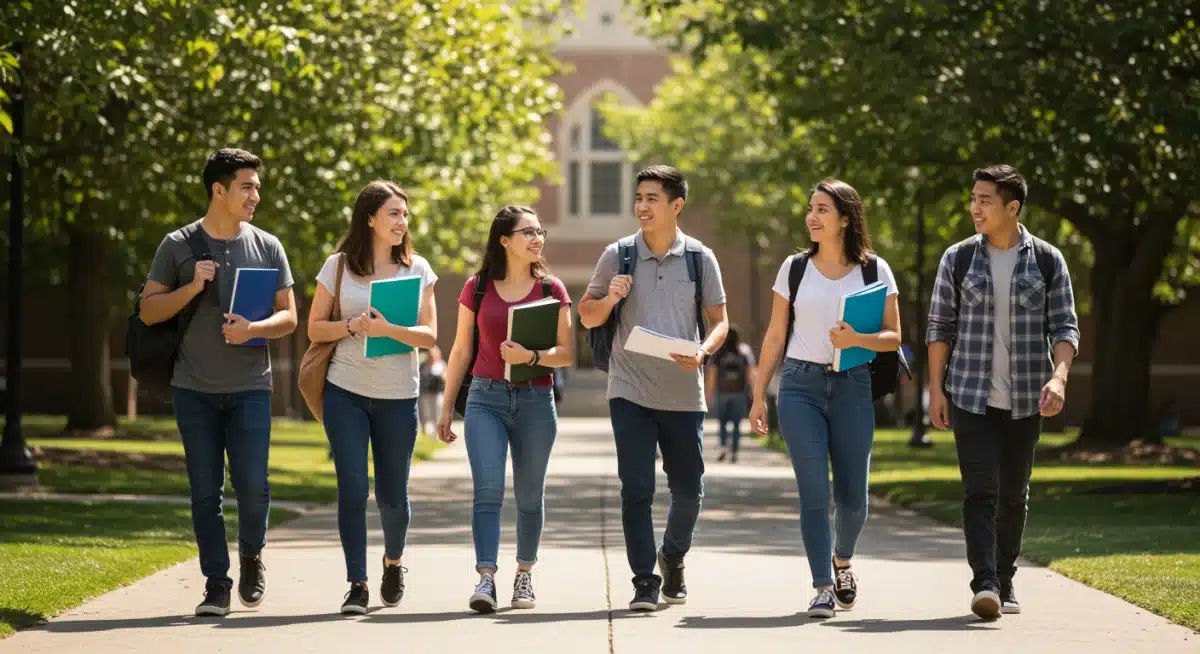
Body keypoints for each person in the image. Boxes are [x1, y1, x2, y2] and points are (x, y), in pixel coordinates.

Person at [139, 148, 297, 617]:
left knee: (253, 486)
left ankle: (251, 555)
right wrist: (190, 288)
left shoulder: (267, 245)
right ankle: (216, 584)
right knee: (205, 491)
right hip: (193, 388)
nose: (256, 195)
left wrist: (253, 330)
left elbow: (289, 317)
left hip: (251, 385)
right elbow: (148, 310)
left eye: (257, 187)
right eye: (247, 186)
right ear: (219, 190)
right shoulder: (178, 245)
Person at [926, 164, 1079, 620]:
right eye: (973, 198)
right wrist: (935, 391)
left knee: (1014, 494)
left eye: (984, 200)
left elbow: (1065, 325)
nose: (974, 207)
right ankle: (985, 582)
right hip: (970, 394)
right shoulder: (957, 259)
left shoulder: (1048, 260)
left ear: (1012, 207)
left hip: (1027, 396)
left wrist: (1060, 377)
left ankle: (1006, 577)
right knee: (980, 490)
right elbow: (940, 327)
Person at [748, 178, 902, 618]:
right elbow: (776, 335)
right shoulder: (795, 268)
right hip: (800, 386)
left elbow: (894, 338)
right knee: (814, 491)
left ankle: (842, 560)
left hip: (853, 385)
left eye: (822, 209)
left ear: (845, 219)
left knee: (855, 499)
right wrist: (760, 396)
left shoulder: (874, 270)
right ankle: (820, 586)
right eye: (810, 208)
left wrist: (859, 338)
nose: (811, 217)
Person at [579, 165, 729, 612]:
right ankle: (644, 580)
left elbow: (720, 322)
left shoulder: (701, 259)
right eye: (638, 198)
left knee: (689, 490)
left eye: (652, 199)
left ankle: (673, 556)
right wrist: (610, 298)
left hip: (683, 391)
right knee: (636, 488)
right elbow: (587, 316)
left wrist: (703, 352)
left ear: (676, 205)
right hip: (630, 388)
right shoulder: (617, 255)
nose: (642, 206)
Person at [307, 181, 438, 614]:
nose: (402, 222)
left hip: (398, 396)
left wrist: (388, 331)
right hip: (345, 391)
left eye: (404, 214)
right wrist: (351, 326)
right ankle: (357, 584)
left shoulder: (417, 269)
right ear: (370, 219)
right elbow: (313, 330)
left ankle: (393, 561)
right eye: (393, 214)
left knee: (393, 497)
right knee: (351, 489)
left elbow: (429, 334)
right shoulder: (338, 267)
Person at [436, 206, 575, 613]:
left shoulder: (552, 289)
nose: (537, 239)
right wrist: (446, 409)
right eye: (527, 232)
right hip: (485, 399)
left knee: (530, 496)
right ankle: (486, 577)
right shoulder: (477, 287)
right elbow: (461, 349)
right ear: (504, 240)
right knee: (488, 491)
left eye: (540, 231)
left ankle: (524, 576)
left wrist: (531, 356)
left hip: (535, 399)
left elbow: (566, 354)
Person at [705, 325, 756, 463]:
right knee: (736, 423)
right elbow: (750, 374)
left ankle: (722, 446)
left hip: (722, 392)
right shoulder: (744, 352)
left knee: (722, 422)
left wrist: (708, 393)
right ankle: (734, 450)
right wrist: (754, 391)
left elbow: (713, 375)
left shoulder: (719, 354)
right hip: (739, 392)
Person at [418, 346, 446, 435]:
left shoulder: (441, 365)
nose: (431, 356)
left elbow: (446, 378)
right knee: (424, 414)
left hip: (437, 393)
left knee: (437, 414)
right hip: (425, 393)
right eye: (430, 354)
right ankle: (425, 433)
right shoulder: (423, 365)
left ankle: (437, 434)